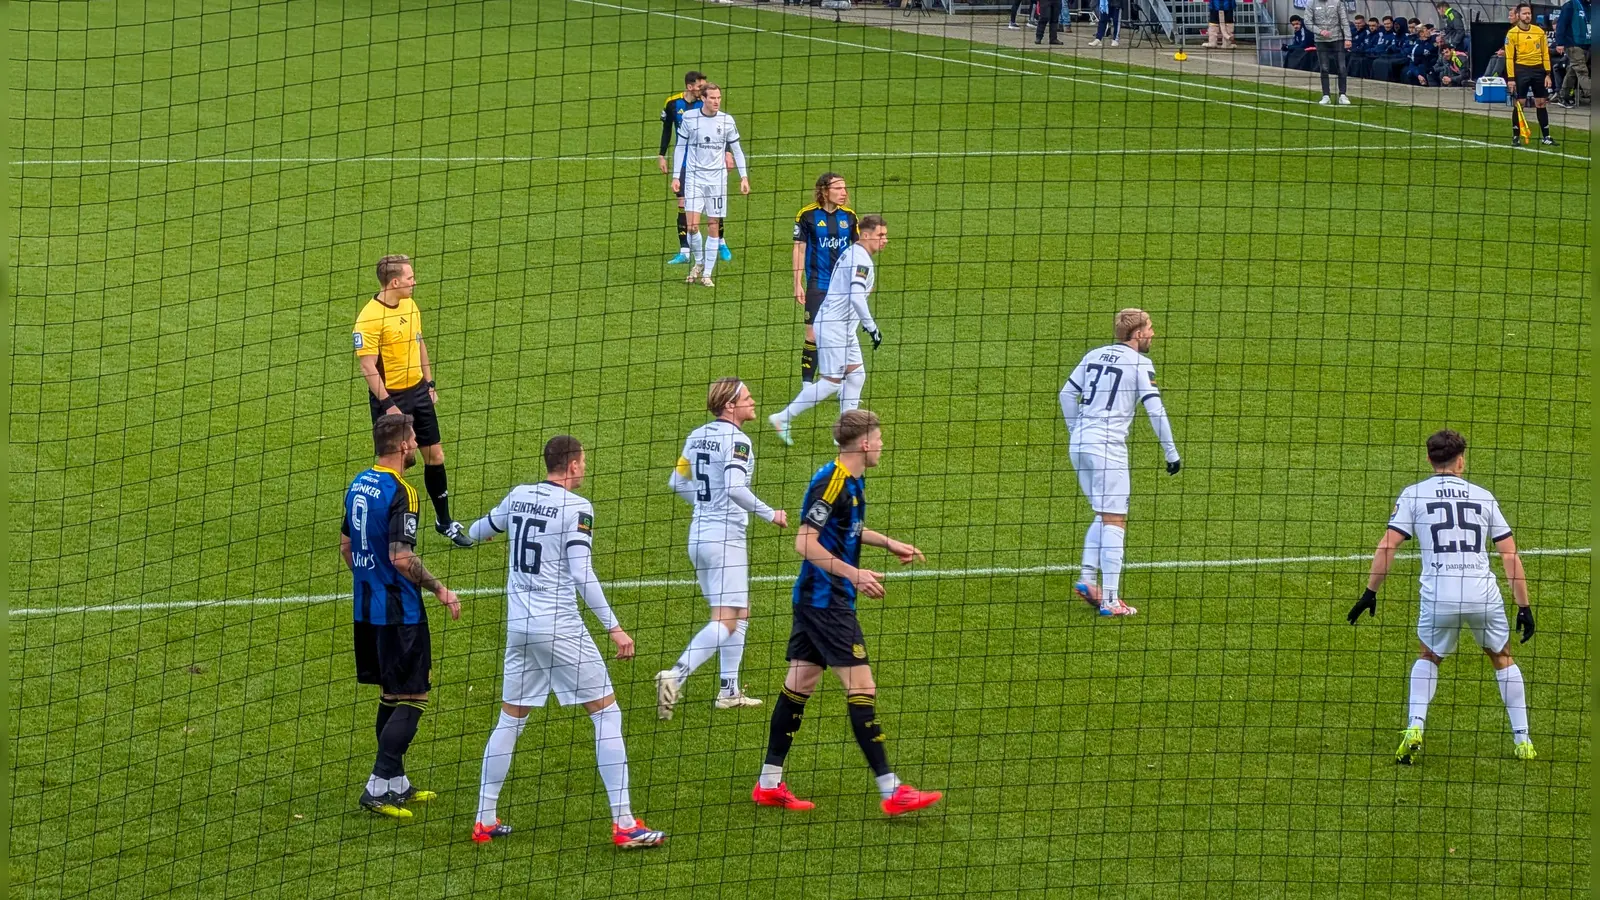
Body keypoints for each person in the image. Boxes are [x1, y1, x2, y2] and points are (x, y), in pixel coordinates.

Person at [466, 436, 666, 849]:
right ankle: (625, 824)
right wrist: (614, 627)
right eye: (584, 461)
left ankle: (484, 819)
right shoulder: (577, 508)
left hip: (519, 629)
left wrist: (471, 533)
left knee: (511, 719)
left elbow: (478, 529)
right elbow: (581, 573)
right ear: (572, 465)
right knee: (607, 715)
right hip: (558, 627)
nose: (585, 467)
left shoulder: (519, 495)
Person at [751, 410, 942, 816]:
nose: (883, 445)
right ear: (866, 443)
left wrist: (889, 543)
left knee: (800, 683)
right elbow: (805, 543)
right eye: (880, 438)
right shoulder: (832, 482)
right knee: (863, 685)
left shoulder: (851, 478)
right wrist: (854, 574)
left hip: (816, 599)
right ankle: (891, 790)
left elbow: (849, 530)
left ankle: (768, 783)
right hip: (827, 601)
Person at [1346, 429, 1536, 765]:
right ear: (1461, 460)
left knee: (1429, 656)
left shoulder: (1413, 495)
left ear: (1429, 459)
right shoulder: (1483, 496)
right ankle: (1523, 740)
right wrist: (1524, 607)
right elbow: (1509, 555)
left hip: (1439, 596)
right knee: (1502, 657)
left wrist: (1369, 593)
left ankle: (1415, 726)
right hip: (1482, 594)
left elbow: (1388, 545)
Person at [341, 414, 460, 820]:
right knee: (415, 695)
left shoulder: (358, 482)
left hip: (366, 606)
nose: (415, 445)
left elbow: (345, 545)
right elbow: (401, 556)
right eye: (412, 439)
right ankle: (377, 785)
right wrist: (440, 589)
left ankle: (396, 783)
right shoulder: (402, 491)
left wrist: (369, 578)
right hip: (399, 610)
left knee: (391, 693)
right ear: (404, 446)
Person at [657, 378, 790, 719]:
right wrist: (770, 513)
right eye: (747, 397)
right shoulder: (738, 441)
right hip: (724, 539)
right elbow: (734, 487)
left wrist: (706, 506)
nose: (753, 401)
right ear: (730, 405)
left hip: (698, 535)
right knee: (726, 620)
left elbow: (677, 482)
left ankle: (728, 691)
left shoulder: (696, 435)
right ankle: (675, 675)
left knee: (739, 610)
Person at [1059, 309, 1181, 618]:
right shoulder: (1140, 363)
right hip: (1108, 449)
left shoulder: (1094, 354)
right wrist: (1171, 453)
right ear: (1138, 334)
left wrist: (1077, 431)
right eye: (1150, 328)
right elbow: (1156, 411)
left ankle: (1088, 578)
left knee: (1104, 514)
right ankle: (1111, 601)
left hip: (1080, 445)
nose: (1153, 333)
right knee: (1115, 521)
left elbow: (1066, 394)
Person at [353, 255, 472, 548]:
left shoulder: (410, 305)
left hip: (418, 391)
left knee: (436, 455)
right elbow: (368, 367)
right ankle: (388, 527)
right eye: (410, 278)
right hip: (390, 397)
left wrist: (429, 383)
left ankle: (444, 522)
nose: (414, 282)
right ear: (394, 282)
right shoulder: (368, 319)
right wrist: (389, 405)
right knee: (396, 463)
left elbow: (419, 342)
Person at [768, 215, 888, 446]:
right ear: (865, 235)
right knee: (831, 382)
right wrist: (872, 327)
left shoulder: (854, 252)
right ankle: (782, 418)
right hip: (834, 327)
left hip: (841, 328)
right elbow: (856, 296)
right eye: (880, 235)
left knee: (856, 375)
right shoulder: (860, 260)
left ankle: (845, 432)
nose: (884, 240)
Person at [671, 83, 750, 287]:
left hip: (717, 181)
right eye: (712, 98)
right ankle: (699, 262)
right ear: (703, 99)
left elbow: (737, 150)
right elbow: (680, 147)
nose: (716, 101)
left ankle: (707, 273)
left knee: (713, 225)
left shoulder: (726, 120)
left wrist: (744, 177)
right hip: (694, 178)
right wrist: (675, 176)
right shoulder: (690, 118)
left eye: (719, 98)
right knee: (692, 227)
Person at [792, 173, 860, 385]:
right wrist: (797, 283)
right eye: (838, 188)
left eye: (844, 188)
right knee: (812, 333)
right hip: (817, 284)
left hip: (843, 287)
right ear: (823, 191)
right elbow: (799, 249)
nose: (844, 193)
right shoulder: (807, 215)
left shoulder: (849, 217)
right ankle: (806, 385)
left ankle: (841, 383)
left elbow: (859, 252)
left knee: (842, 335)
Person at [659, 71, 730, 266]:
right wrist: (661, 155)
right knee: (683, 205)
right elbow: (666, 130)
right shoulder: (673, 103)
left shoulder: (705, 103)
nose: (704, 90)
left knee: (712, 205)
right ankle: (684, 250)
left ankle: (721, 242)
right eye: (701, 86)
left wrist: (727, 152)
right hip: (685, 164)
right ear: (690, 87)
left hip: (709, 163)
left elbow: (722, 130)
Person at [1506, 3, 1558, 145]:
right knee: (1520, 103)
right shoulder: (1512, 34)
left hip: (1538, 70)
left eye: (1529, 13)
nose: (1527, 16)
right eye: (1524, 13)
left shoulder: (1539, 32)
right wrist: (1510, 78)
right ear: (1518, 15)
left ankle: (1546, 137)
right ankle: (1516, 136)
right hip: (1521, 69)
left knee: (1541, 103)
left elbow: (1545, 54)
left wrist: (1548, 73)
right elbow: (1509, 58)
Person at [1308, 0, 1353, 103]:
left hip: (1337, 39)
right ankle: (1326, 95)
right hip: (1320, 40)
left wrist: (1348, 38)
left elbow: (1344, 21)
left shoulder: (1337, 2)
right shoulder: (1311, 3)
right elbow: (1307, 22)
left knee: (1341, 67)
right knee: (1324, 68)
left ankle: (1342, 95)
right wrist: (1320, 31)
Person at [1554, 0, 1590, 107]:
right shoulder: (1570, 5)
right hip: (1573, 44)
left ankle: (1563, 96)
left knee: (1572, 70)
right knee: (1582, 72)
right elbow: (1561, 24)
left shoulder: (1589, 6)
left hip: (1587, 44)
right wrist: (1560, 42)